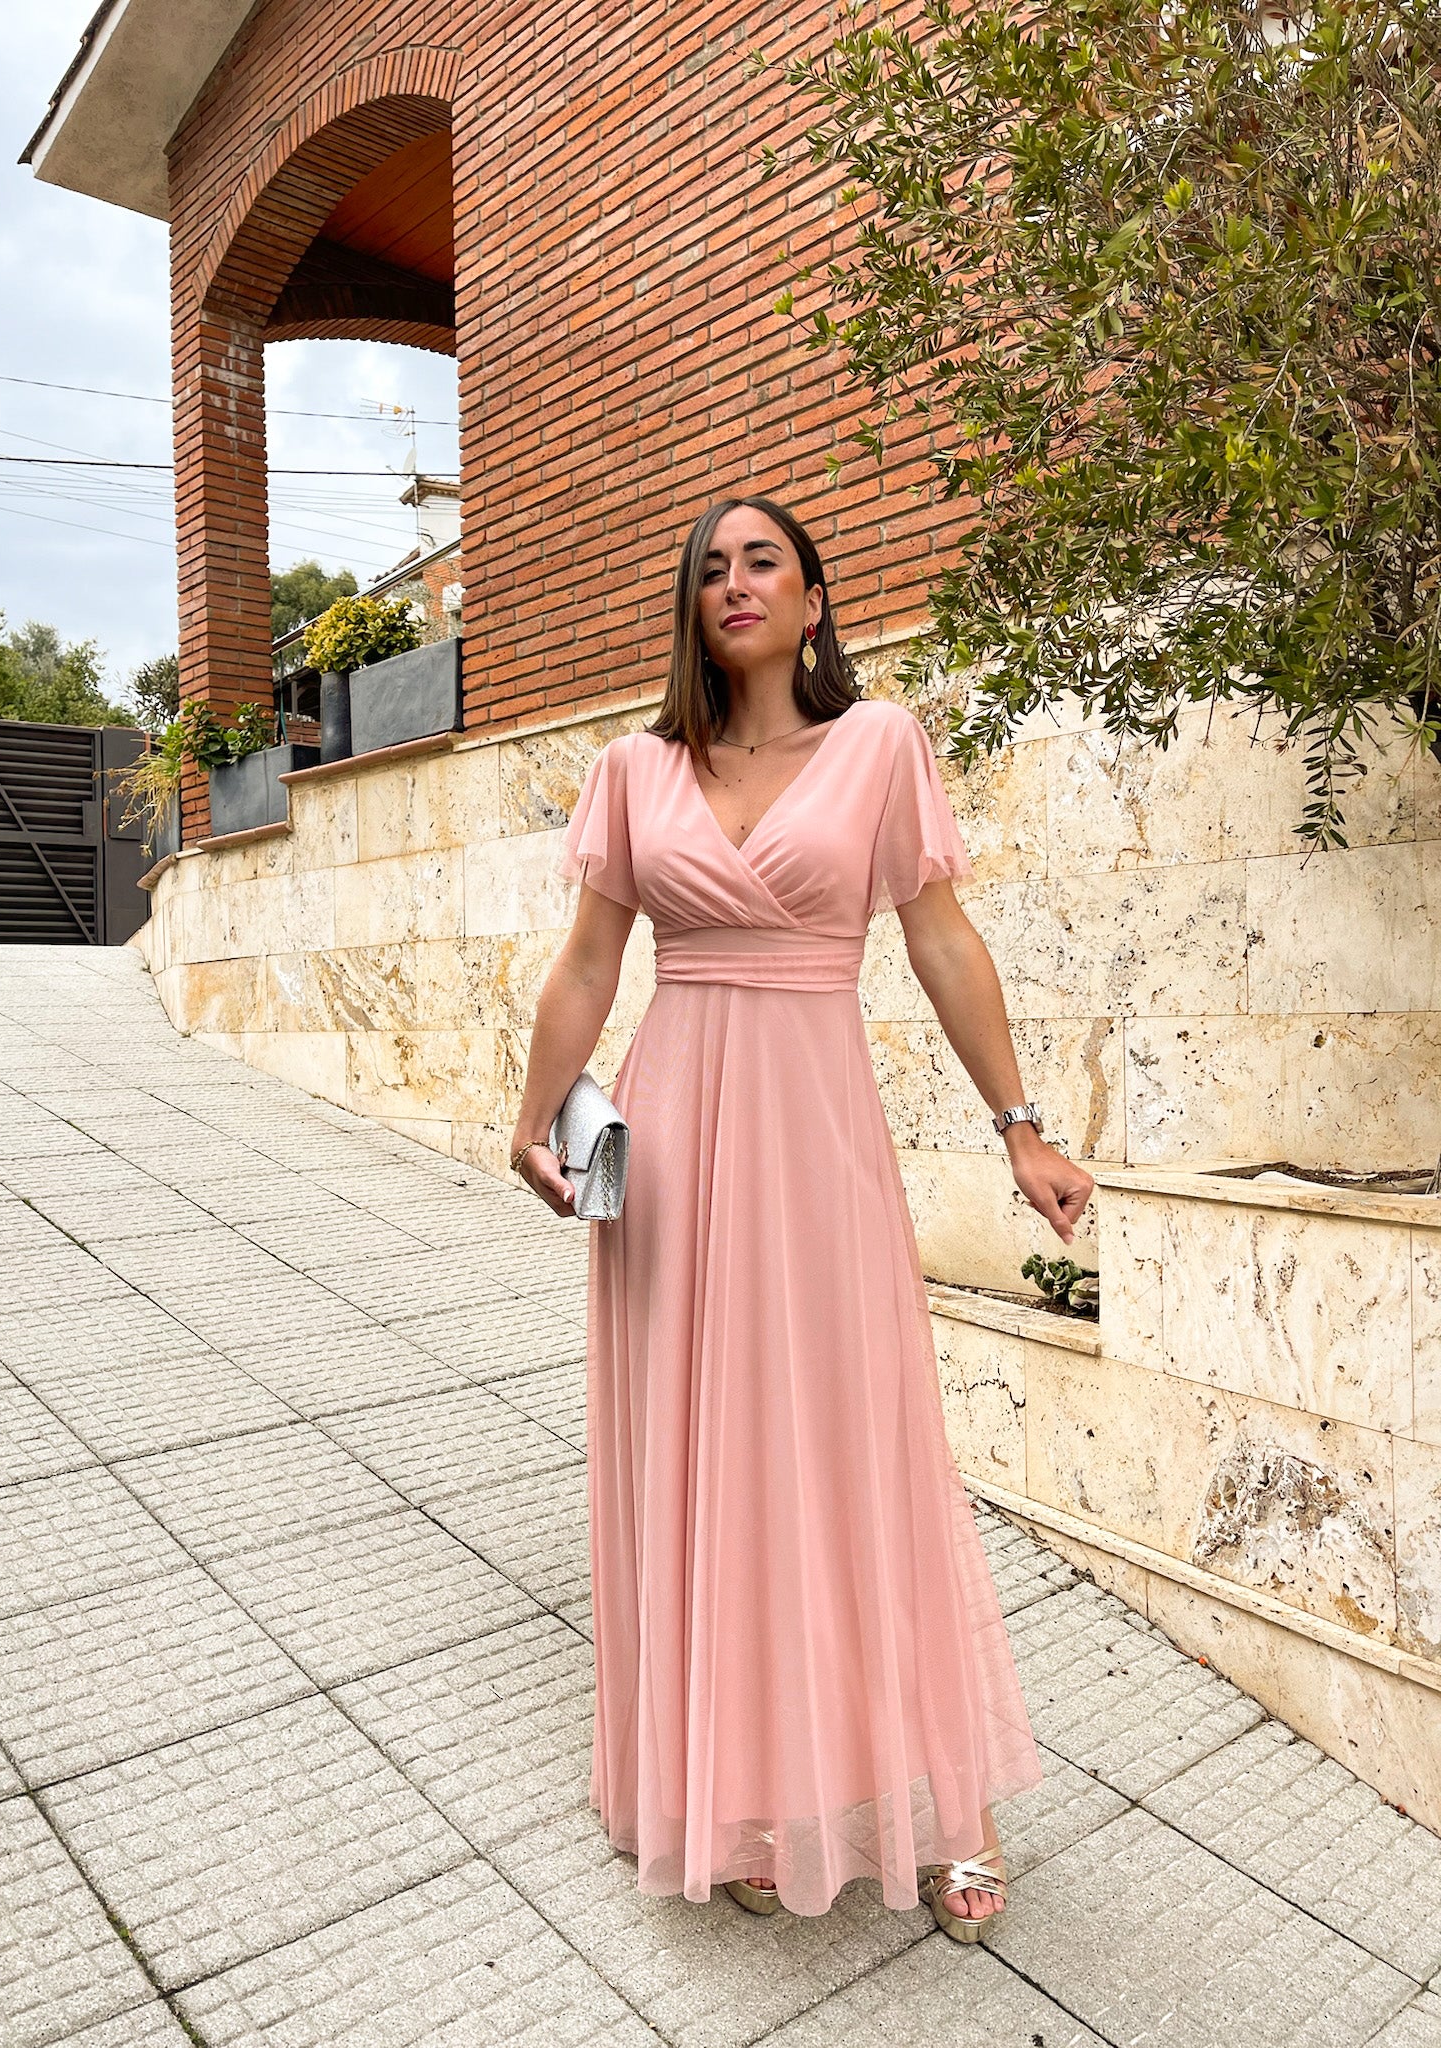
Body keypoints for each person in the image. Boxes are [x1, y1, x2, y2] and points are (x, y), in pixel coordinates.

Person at [509, 496, 1095, 1931]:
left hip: (818, 1134)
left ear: (815, 599)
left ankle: (949, 1804)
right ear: (690, 606)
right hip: (673, 1138)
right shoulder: (635, 768)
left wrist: (1019, 1126)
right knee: (701, 1454)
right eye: (710, 567)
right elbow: (589, 964)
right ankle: (741, 1793)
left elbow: (941, 938)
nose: (735, 583)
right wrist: (533, 1115)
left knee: (855, 1447)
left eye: (763, 560)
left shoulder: (880, 745)